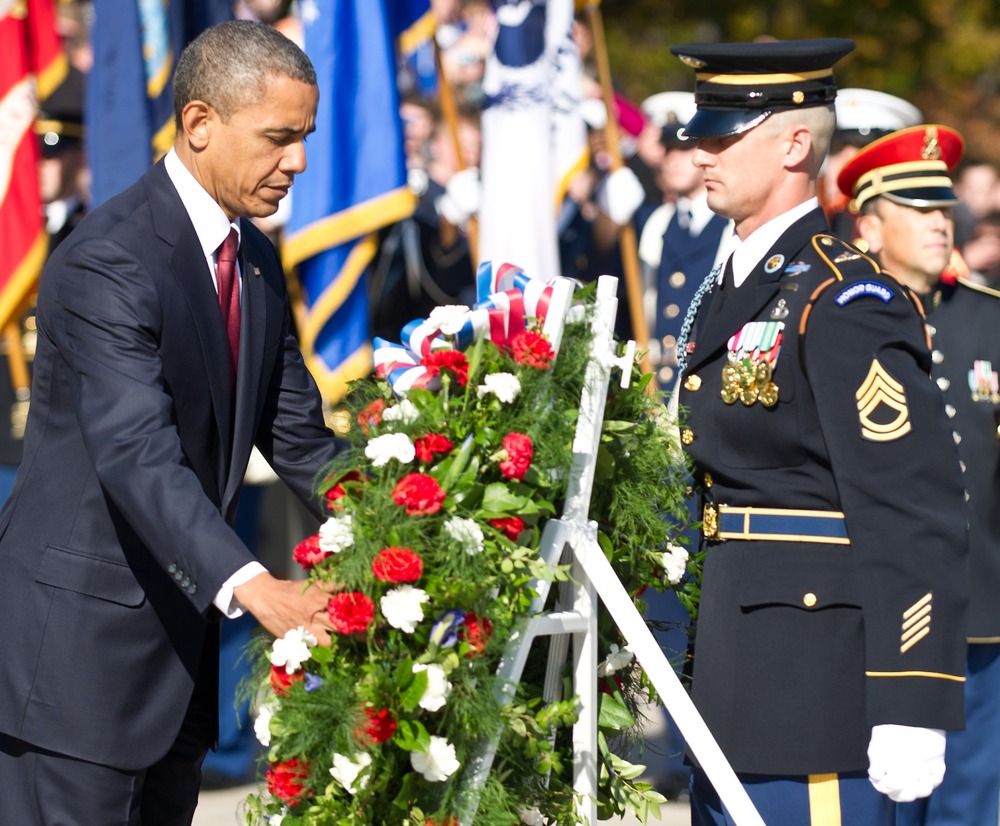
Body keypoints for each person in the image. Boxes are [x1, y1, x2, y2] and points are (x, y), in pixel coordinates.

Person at [0, 20, 345, 825]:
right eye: (278, 138)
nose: (296, 161)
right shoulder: (107, 260)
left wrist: (415, 529)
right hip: (75, 683)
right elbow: (137, 456)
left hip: (173, 683)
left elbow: (300, 439)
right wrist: (261, 590)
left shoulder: (253, 260)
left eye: (305, 138)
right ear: (199, 124)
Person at [670, 38, 969, 825]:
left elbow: (915, 507)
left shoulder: (845, 299)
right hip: (734, 678)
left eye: (725, 133)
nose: (700, 149)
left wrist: (915, 695)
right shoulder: (726, 285)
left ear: (795, 143)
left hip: (815, 695)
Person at [838, 124, 1000, 826]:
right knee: (882, 806)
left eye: (945, 207)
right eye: (919, 208)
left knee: (971, 807)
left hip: (983, 613)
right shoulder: (841, 319)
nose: (942, 220)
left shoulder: (987, 321)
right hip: (879, 618)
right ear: (870, 225)